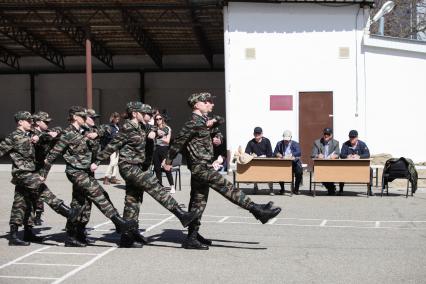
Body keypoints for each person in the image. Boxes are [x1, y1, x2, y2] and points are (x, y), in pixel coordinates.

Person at [163, 92, 281, 250]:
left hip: (203, 166)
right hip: (200, 167)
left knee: (198, 203)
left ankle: (192, 237)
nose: (211, 104)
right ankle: (257, 211)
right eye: (207, 102)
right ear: (197, 104)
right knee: (227, 187)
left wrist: (217, 134)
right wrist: (169, 162)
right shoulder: (192, 123)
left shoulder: (205, 121)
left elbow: (219, 121)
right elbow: (177, 143)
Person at [95, 102, 199, 248]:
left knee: (133, 200)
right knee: (154, 186)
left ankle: (128, 236)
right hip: (128, 166)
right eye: (144, 113)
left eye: (149, 114)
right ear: (134, 113)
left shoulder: (143, 126)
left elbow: (157, 130)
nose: (147, 116)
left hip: (139, 166)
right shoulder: (127, 128)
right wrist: (97, 161)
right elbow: (113, 145)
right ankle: (181, 214)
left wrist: (157, 132)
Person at [43, 106, 137, 247]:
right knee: (98, 193)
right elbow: (52, 156)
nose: (88, 119)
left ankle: (75, 234)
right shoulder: (67, 133)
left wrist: (96, 134)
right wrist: (42, 175)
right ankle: (119, 222)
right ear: (75, 117)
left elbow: (106, 128)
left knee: (81, 204)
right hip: (75, 172)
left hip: (86, 172)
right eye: (84, 117)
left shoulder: (88, 131)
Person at [1, 111, 81, 246]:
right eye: (28, 121)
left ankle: (21, 234)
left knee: (21, 202)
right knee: (42, 190)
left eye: (32, 121)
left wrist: (42, 137)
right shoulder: (13, 137)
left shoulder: (32, 135)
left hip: (30, 171)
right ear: (20, 122)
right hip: (22, 173)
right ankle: (67, 211)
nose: (31, 123)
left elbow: (53, 132)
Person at [339, 130, 372, 195]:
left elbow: (367, 154)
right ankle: (341, 189)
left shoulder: (362, 144)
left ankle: (369, 189)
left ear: (357, 137)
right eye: (350, 137)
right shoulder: (345, 144)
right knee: (341, 169)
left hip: (360, 166)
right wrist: (347, 156)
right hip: (347, 166)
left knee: (370, 170)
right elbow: (341, 155)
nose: (352, 139)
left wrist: (359, 157)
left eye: (353, 137)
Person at [311, 127, 340, 195]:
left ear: (331, 135)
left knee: (331, 171)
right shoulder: (317, 142)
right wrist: (318, 155)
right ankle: (331, 188)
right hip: (320, 165)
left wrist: (335, 156)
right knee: (319, 172)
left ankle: (331, 188)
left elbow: (338, 154)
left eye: (328, 134)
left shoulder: (335, 143)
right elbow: (312, 155)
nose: (326, 135)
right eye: (325, 134)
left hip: (331, 164)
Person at [245, 127, 274, 195]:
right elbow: (246, 153)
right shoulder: (251, 142)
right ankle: (255, 186)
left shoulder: (267, 141)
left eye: (259, 133)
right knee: (254, 169)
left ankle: (271, 188)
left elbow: (270, 153)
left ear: (262, 134)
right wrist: (251, 155)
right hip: (255, 163)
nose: (257, 134)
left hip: (266, 162)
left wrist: (264, 156)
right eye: (256, 133)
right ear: (253, 134)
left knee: (269, 172)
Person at [273, 130, 303, 195]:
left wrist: (292, 155)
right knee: (279, 172)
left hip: (294, 162)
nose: (286, 141)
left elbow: (299, 152)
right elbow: (275, 152)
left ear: (291, 137)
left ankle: (296, 189)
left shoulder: (295, 144)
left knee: (299, 172)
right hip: (283, 163)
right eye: (285, 139)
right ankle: (282, 189)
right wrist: (278, 154)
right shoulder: (279, 143)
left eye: (287, 140)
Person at [152, 113, 175, 193]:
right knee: (157, 169)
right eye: (156, 119)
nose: (158, 120)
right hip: (156, 150)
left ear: (162, 119)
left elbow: (167, 141)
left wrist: (157, 139)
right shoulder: (154, 128)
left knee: (167, 168)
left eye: (160, 119)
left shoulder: (167, 128)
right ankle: (160, 186)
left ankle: (172, 186)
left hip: (164, 149)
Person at [102, 112, 121, 185]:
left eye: (118, 118)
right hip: (112, 146)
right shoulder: (110, 127)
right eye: (116, 118)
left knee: (116, 163)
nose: (118, 120)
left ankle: (113, 177)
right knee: (112, 162)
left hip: (117, 146)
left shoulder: (117, 126)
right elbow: (108, 136)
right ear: (113, 118)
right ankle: (106, 177)